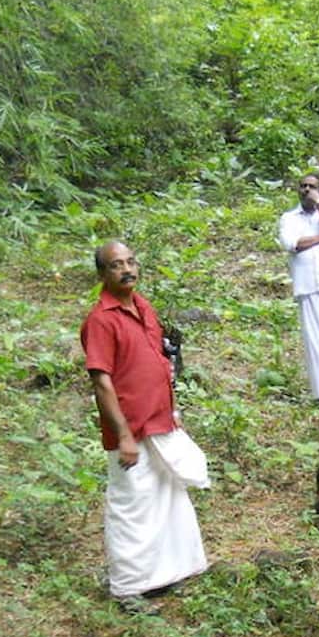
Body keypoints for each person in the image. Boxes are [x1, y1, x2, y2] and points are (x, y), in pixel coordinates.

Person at [80, 241, 209, 611]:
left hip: (161, 423)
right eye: (116, 265)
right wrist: (123, 435)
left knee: (166, 499)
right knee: (131, 506)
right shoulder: (100, 321)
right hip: (130, 432)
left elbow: (159, 364)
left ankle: (161, 576)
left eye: (131, 262)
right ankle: (128, 588)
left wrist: (174, 413)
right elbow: (102, 382)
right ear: (102, 274)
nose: (126, 269)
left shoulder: (144, 308)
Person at [277, 173, 319, 402]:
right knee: (316, 338)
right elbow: (293, 244)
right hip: (307, 285)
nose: (306, 190)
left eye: (312, 187)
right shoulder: (289, 217)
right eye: (303, 186)